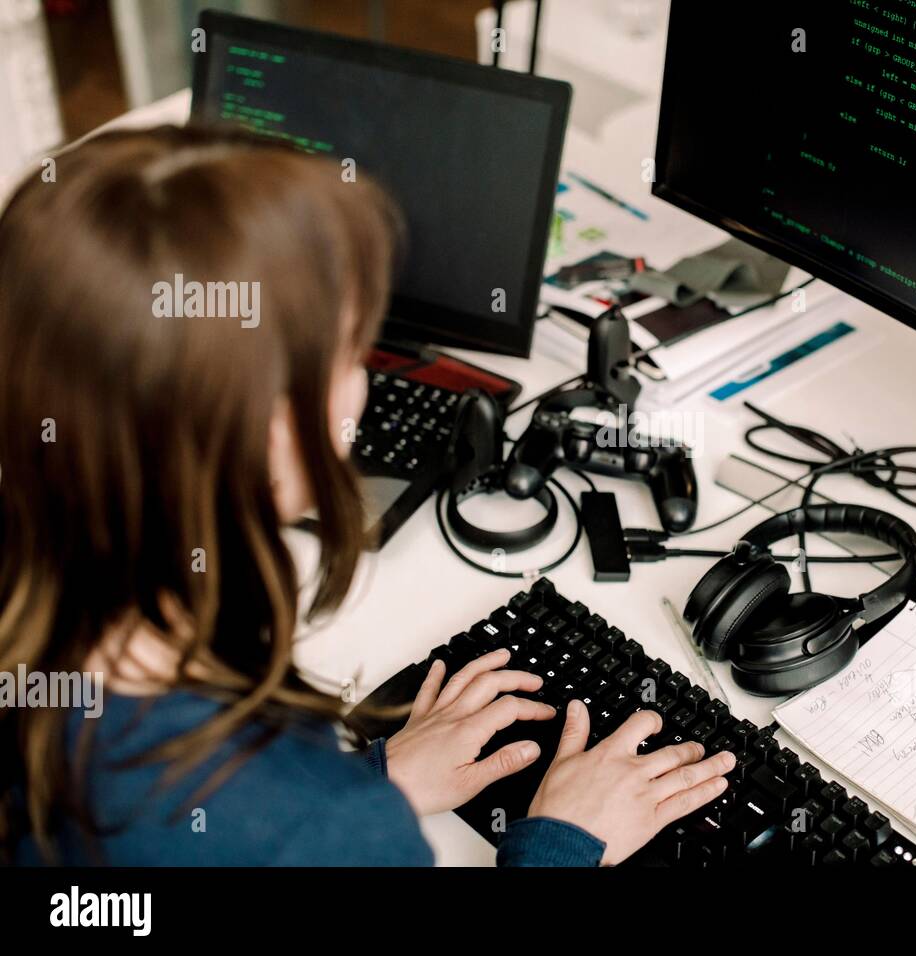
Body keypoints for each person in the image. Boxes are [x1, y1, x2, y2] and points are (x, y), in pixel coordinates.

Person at [0, 125, 733, 866]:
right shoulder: (312, 827)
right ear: (271, 430)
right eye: (355, 351)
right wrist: (558, 841)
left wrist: (370, 783)